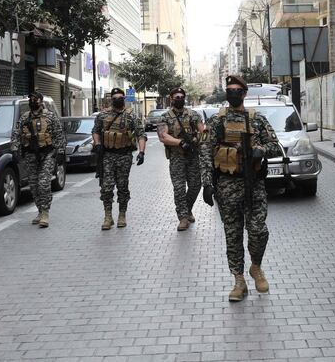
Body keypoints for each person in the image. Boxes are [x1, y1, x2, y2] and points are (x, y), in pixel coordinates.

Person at [200, 75, 282, 302]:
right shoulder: (217, 122)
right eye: (229, 90)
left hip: (253, 185)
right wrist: (207, 183)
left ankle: (256, 267)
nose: (232, 93)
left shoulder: (257, 120)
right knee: (233, 234)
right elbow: (206, 152)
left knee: (258, 231)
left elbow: (276, 147)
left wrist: (261, 150)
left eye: (237, 90)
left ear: (244, 93)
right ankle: (238, 280)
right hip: (227, 185)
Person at [92, 88, 147, 230]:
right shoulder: (103, 116)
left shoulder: (131, 116)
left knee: (122, 186)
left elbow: (141, 134)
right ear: (111, 99)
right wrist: (97, 144)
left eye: (120, 97)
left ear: (124, 98)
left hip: (124, 156)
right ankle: (108, 216)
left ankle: (122, 214)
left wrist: (141, 152)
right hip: (107, 156)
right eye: (114, 97)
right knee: (107, 187)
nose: (117, 99)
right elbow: (96, 131)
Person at [10, 91, 66, 228]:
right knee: (34, 185)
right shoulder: (24, 118)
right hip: (30, 155)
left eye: (35, 99)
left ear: (41, 101)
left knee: (43, 183)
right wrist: (15, 149)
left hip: (47, 154)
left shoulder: (50, 116)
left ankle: (45, 213)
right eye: (31, 99)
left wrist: (60, 152)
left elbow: (59, 134)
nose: (32, 101)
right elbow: (16, 134)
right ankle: (40, 211)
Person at [157, 87, 204, 231]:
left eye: (181, 97)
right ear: (171, 99)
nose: (179, 99)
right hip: (177, 157)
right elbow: (163, 136)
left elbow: (203, 132)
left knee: (196, 186)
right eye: (176, 97)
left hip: (193, 156)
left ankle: (188, 208)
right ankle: (183, 217)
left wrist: (196, 139)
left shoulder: (193, 115)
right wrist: (179, 143)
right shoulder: (165, 117)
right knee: (179, 188)